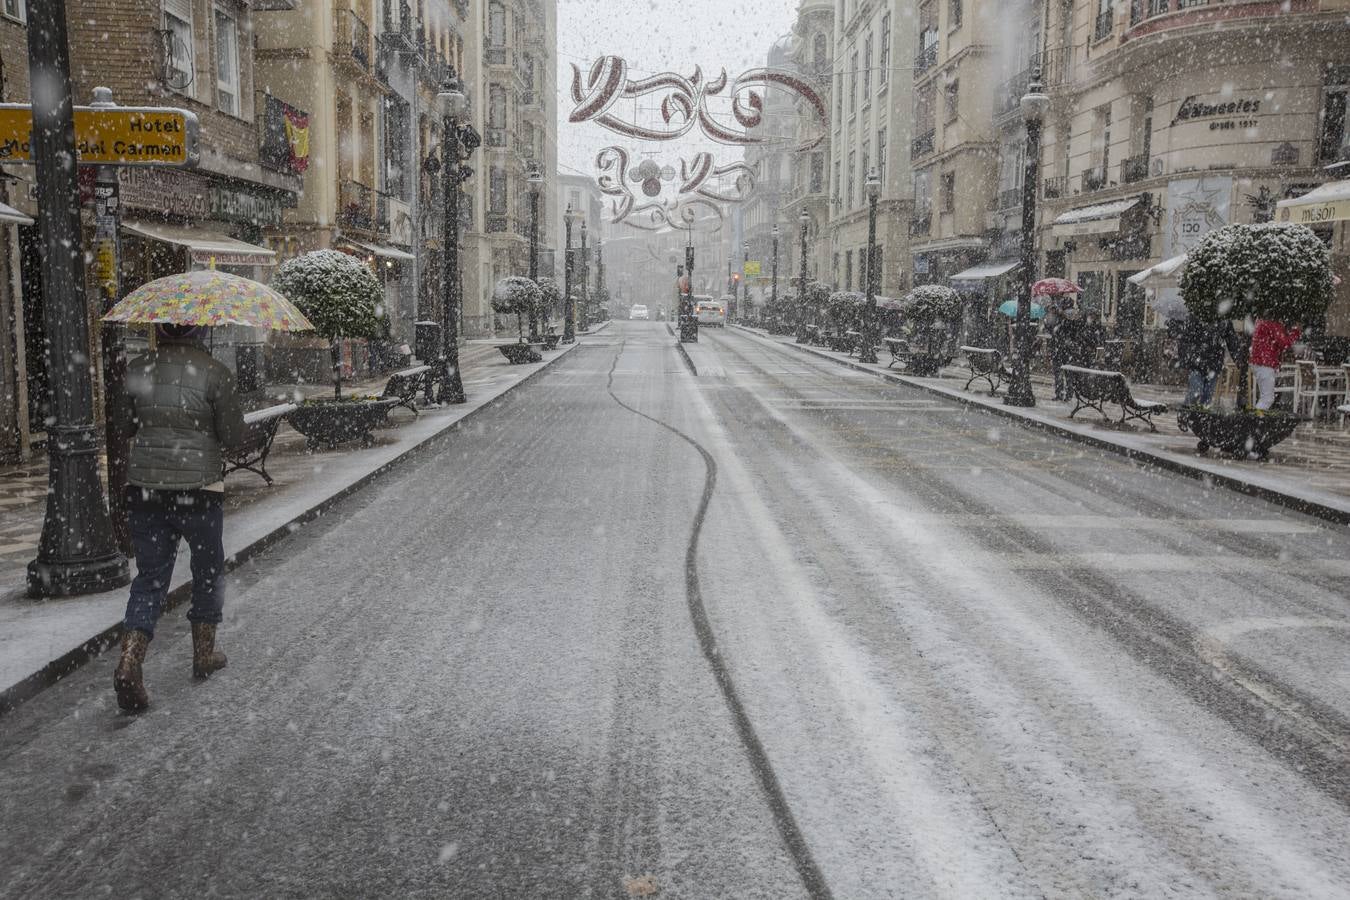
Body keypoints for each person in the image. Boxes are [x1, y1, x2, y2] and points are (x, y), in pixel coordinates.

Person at [114, 324, 245, 712]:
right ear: (199, 329)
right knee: (207, 570)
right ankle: (204, 653)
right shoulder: (215, 372)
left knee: (151, 578)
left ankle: (130, 660)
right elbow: (234, 435)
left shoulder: (137, 368)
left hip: (146, 487)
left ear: (159, 328)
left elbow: (124, 426)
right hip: (198, 488)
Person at [1178, 317, 1239, 408]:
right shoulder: (1196, 317)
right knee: (1196, 390)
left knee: (1207, 394)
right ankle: (1186, 410)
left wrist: (1238, 358)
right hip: (1197, 363)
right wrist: (1188, 357)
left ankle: (1201, 416)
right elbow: (1185, 339)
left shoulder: (1224, 320)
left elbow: (1232, 340)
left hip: (1214, 363)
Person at [1249, 318, 1300, 411]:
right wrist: (1296, 331)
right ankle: (1256, 421)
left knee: (1265, 397)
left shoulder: (1263, 322)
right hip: (1265, 363)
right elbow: (1285, 343)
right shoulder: (1272, 324)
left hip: (1260, 362)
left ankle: (1258, 419)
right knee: (1267, 399)